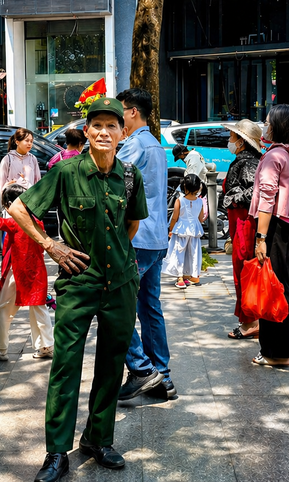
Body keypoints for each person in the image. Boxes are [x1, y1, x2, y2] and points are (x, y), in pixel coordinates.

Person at [7, 98, 147, 482]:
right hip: (78, 284)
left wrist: (115, 258)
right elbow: (19, 209)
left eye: (111, 126)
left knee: (111, 363)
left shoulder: (130, 175)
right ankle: (56, 452)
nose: (104, 132)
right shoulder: (66, 172)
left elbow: (130, 227)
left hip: (120, 283)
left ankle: (98, 439)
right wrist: (51, 245)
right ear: (86, 132)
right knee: (65, 366)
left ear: (123, 132)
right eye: (96, 125)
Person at [115, 88, 174, 402]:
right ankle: (161, 377)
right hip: (156, 237)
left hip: (138, 238)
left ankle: (141, 369)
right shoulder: (155, 145)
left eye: (119, 111)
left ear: (133, 112)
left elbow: (112, 180)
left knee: (116, 306)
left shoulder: (135, 146)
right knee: (150, 307)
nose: (116, 117)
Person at [250, 104, 289, 368]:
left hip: (277, 228)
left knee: (275, 289)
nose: (265, 126)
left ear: (278, 127)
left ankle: (277, 353)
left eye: (268, 122)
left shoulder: (275, 156)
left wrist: (260, 237)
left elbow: (267, 199)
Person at [0, 183, 54, 361]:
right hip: (36, 272)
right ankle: (45, 346)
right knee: (39, 309)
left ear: (9, 205)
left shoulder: (14, 222)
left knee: (1, 308)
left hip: (16, 272)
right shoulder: (37, 220)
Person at [220, 119, 263, 340]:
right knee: (243, 270)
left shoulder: (247, 163)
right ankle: (250, 319)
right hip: (241, 222)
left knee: (244, 270)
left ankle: (250, 322)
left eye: (233, 137)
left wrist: (231, 198)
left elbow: (255, 192)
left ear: (242, 141)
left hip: (245, 223)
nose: (230, 141)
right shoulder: (245, 160)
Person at [163, 174, 206, 288]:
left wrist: (171, 228)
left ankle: (180, 277)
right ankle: (193, 276)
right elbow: (201, 218)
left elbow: (174, 217)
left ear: (184, 187)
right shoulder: (200, 201)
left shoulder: (180, 200)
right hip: (194, 229)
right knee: (193, 253)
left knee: (179, 252)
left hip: (181, 228)